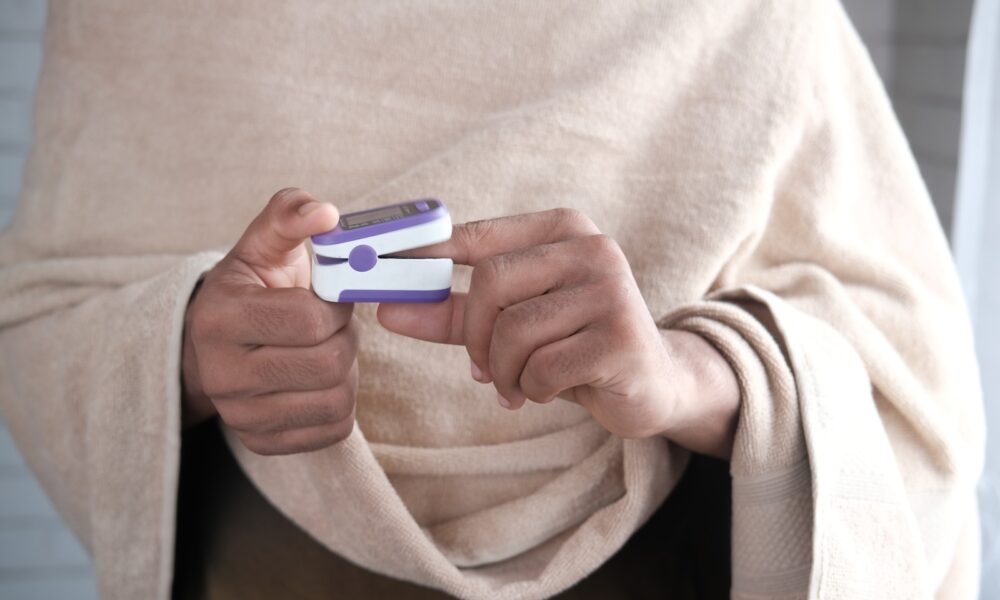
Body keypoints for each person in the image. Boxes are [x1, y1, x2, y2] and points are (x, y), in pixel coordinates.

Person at [0, 1, 985, 599]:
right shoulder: (135, 14)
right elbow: (40, 307)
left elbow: (917, 385)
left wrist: (688, 372)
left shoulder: (756, 13)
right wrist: (187, 346)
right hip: (254, 571)